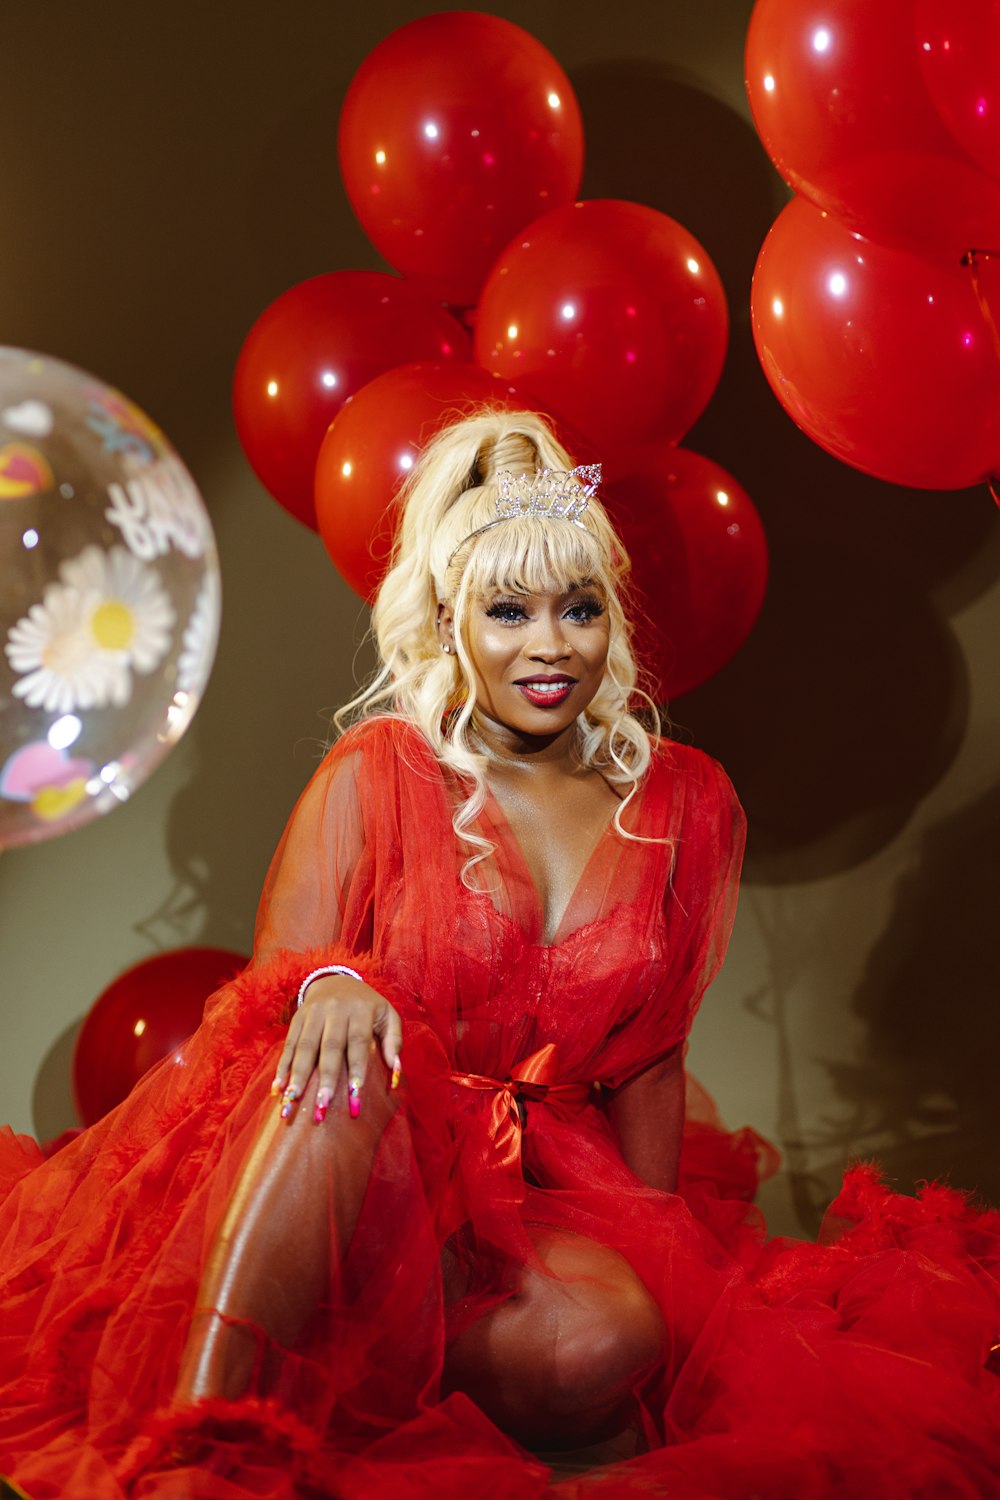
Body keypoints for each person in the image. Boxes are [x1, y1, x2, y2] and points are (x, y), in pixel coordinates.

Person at [1, 409, 999, 1500]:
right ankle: (195, 1447)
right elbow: (274, 994)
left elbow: (653, 1057)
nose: (549, 646)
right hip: (363, 1162)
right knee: (340, 1060)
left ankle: (365, 1359)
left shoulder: (685, 802)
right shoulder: (378, 767)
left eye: (578, 609)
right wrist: (333, 981)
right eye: (509, 610)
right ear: (450, 622)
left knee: (607, 1343)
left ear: (610, 619)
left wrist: (683, 1286)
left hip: (551, 1191)